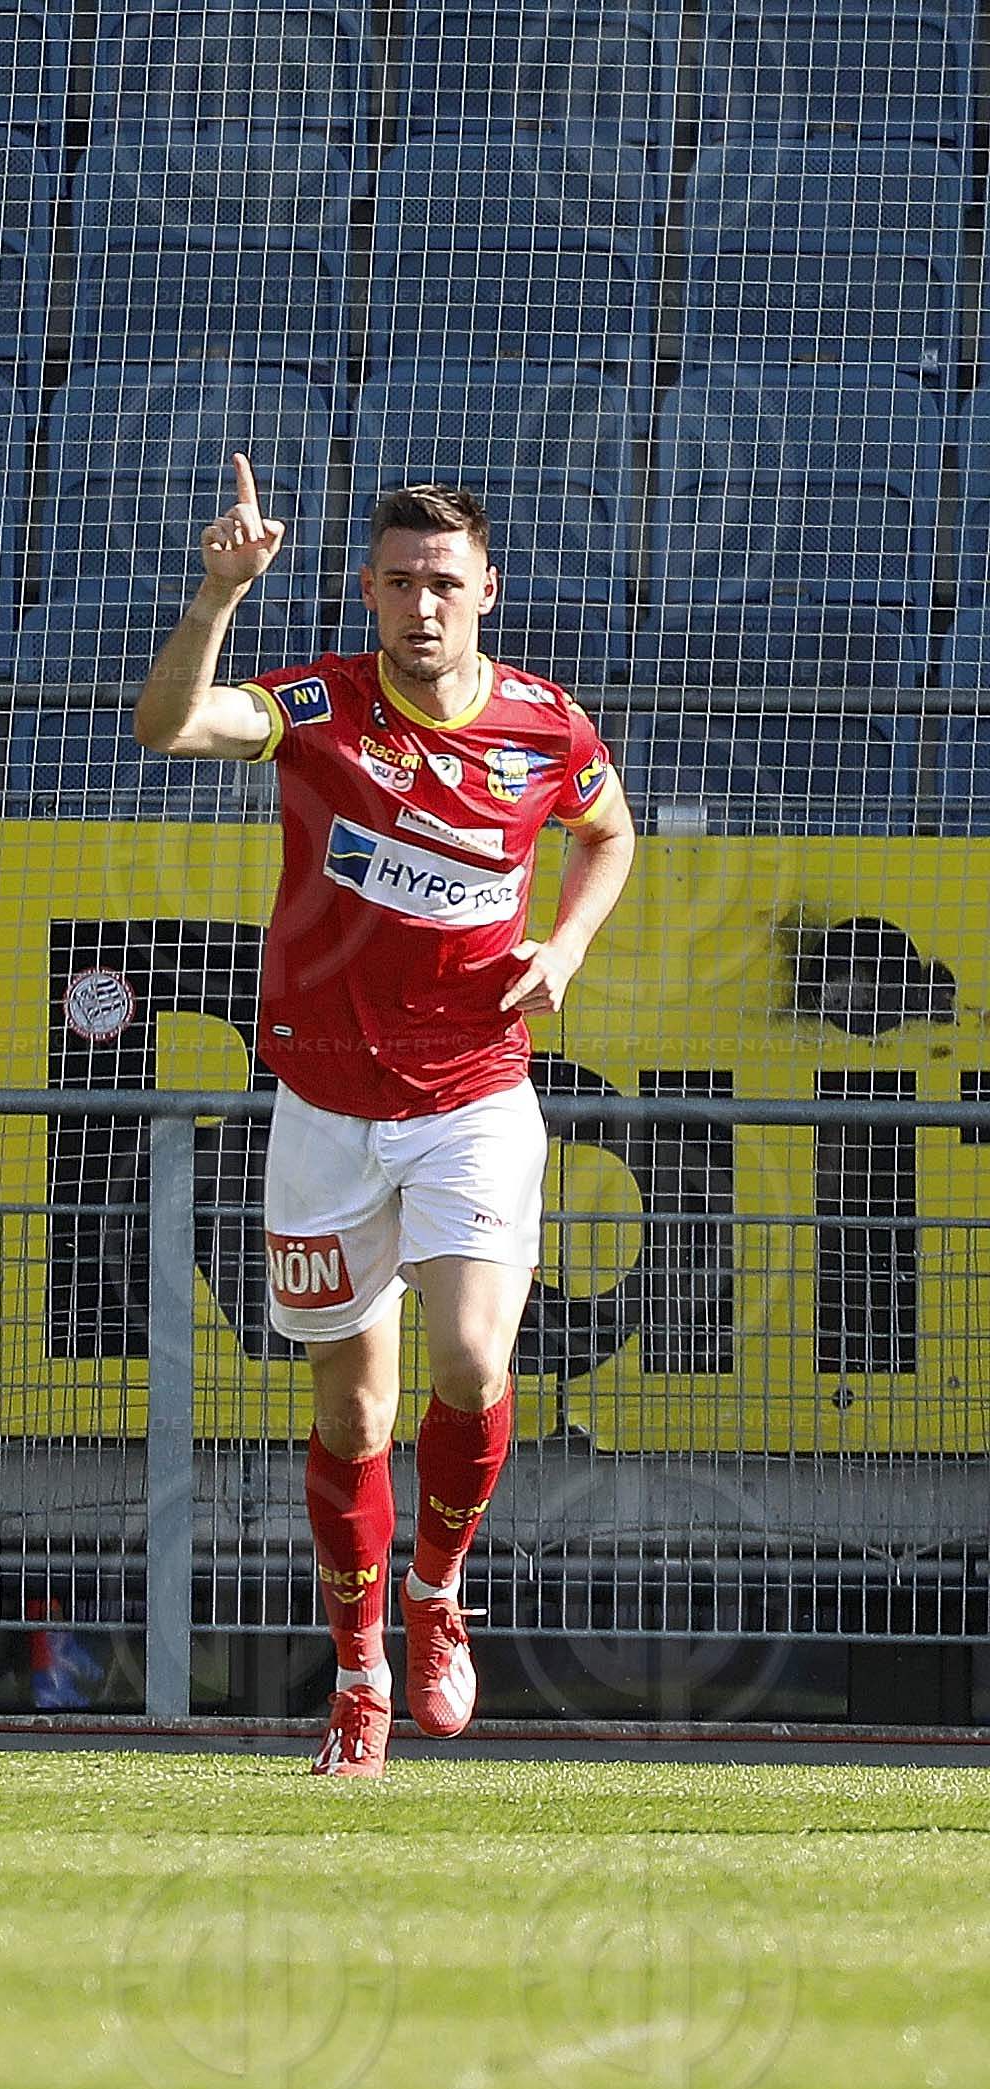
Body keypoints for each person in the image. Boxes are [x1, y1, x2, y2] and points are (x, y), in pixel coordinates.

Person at [133, 464, 637, 1779]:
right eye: (401, 583)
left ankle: (435, 1595)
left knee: (471, 1364)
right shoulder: (316, 710)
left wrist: (568, 946)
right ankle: (356, 1677)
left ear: (489, 595)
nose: (424, 605)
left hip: (474, 1092)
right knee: (354, 1417)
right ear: (368, 590)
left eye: (447, 585)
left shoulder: (544, 724)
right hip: (324, 1109)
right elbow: (168, 728)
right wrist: (218, 593)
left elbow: (610, 834)